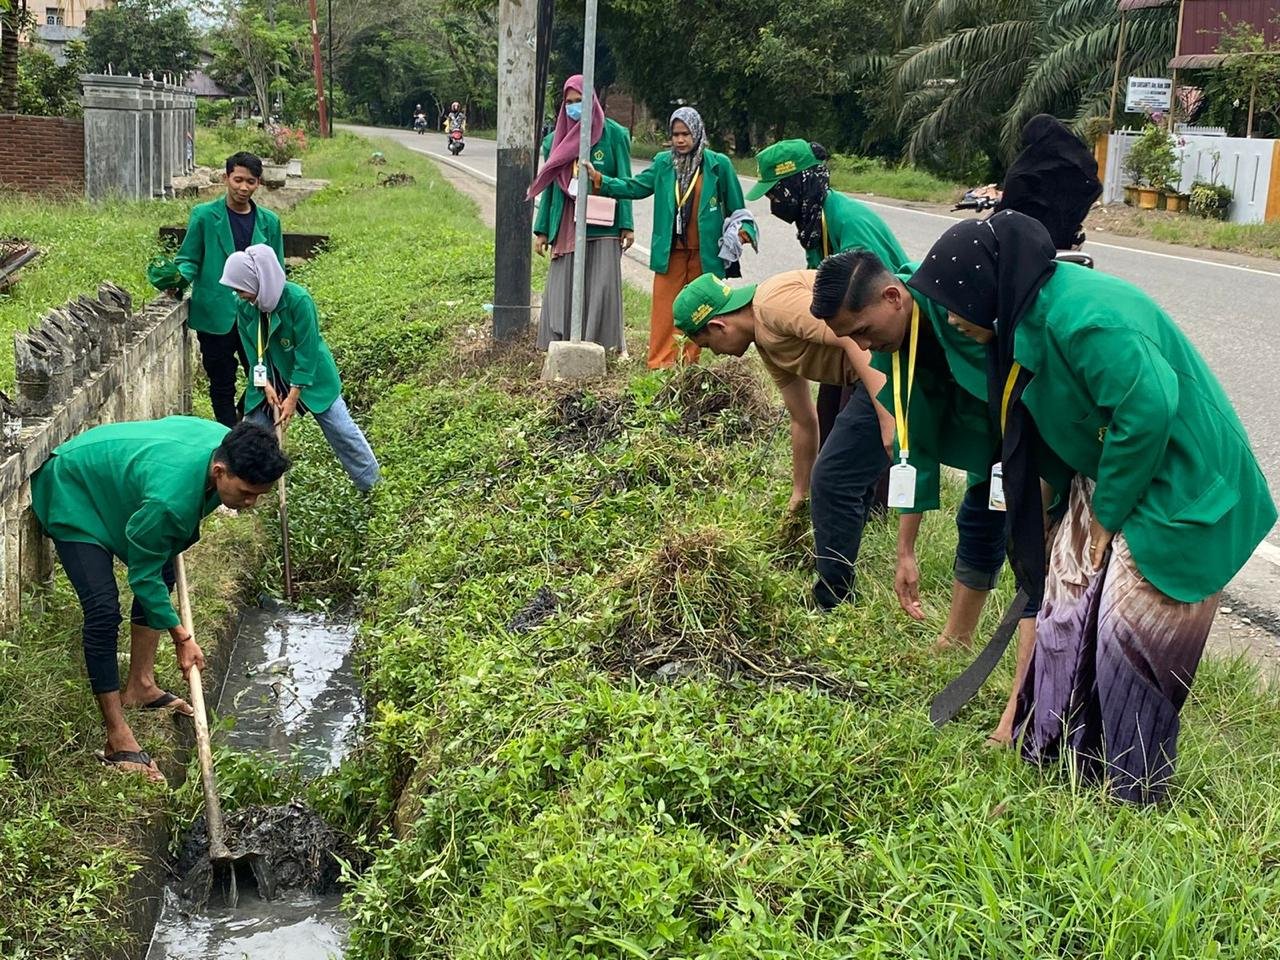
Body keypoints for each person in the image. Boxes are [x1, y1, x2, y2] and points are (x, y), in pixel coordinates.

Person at [907, 211, 1276, 802]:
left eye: (959, 303)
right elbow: (1050, 425)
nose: (952, 318)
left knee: (1128, 635)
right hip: (1112, 467)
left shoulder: (1084, 319)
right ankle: (1052, 752)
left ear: (993, 289)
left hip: (1182, 477)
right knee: (1064, 609)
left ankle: (1129, 792)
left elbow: (1147, 412)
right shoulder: (1023, 320)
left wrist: (1104, 521)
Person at [811, 249, 1052, 675]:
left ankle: (1031, 687)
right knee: (980, 513)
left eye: (864, 331)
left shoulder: (962, 315)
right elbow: (913, 445)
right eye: (854, 339)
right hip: (991, 432)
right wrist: (905, 551)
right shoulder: (900, 338)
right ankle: (956, 638)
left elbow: (1039, 389)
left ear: (892, 297)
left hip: (1042, 423)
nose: (864, 347)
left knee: (1036, 546)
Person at [31, 418, 290, 783]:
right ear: (219, 471)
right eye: (247, 493)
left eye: (260, 495)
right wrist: (182, 638)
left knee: (164, 568)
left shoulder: (226, 443)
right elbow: (142, 574)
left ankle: (140, 685)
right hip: (72, 489)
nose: (251, 503)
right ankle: (116, 735)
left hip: (115, 481)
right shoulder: (170, 501)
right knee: (104, 610)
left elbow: (156, 555)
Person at [673, 271, 894, 529]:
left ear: (718, 327)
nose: (719, 354)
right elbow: (802, 419)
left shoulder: (772, 305)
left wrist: (888, 419)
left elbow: (850, 337)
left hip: (883, 364)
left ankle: (834, 566)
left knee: (832, 477)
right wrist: (799, 493)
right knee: (840, 475)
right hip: (865, 376)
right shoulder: (765, 341)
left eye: (709, 346)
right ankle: (847, 541)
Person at [747, 139, 908, 444]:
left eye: (775, 193)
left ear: (797, 185)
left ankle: (880, 491)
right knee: (829, 418)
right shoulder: (814, 225)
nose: (773, 204)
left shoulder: (848, 221)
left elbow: (872, 307)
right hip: (853, 337)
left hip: (881, 341)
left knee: (859, 437)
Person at [587, 107, 756, 369]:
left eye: (686, 134)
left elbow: (738, 210)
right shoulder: (664, 163)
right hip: (671, 252)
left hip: (704, 254)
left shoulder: (717, 164)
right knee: (665, 311)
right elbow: (636, 187)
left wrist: (744, 232)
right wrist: (603, 181)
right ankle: (659, 364)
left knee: (698, 312)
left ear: (697, 133)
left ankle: (686, 364)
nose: (680, 140)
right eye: (676, 134)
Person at [219, 244, 380, 492]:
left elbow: (307, 351)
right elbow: (252, 354)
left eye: (241, 288)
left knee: (341, 429)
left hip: (311, 377)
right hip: (268, 379)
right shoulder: (245, 308)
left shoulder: (298, 300)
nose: (239, 295)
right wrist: (265, 386)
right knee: (251, 436)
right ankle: (244, 493)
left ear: (257, 279)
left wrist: (293, 396)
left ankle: (372, 486)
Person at [175, 152, 285, 429]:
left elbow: (277, 269)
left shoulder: (269, 222)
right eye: (237, 180)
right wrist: (176, 280)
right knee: (221, 380)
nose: (243, 187)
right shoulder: (203, 216)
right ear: (226, 178)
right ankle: (226, 434)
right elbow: (189, 258)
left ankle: (244, 421)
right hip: (214, 314)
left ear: (258, 183)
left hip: (255, 314)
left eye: (250, 181)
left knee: (260, 375)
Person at [529, 75, 635, 352]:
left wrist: (627, 224)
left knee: (601, 283)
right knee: (563, 282)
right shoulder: (554, 141)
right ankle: (560, 341)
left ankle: (604, 345)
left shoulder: (614, 135)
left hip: (603, 224)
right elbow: (550, 187)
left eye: (580, 101)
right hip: (566, 222)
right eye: (569, 103)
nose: (575, 108)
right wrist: (541, 230)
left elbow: (624, 180)